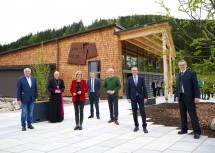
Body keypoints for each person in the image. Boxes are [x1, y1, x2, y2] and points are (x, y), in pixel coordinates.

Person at [176, 60, 201, 139]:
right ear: (179, 66)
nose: (182, 66)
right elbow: (177, 87)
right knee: (182, 114)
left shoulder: (191, 73)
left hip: (189, 97)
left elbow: (195, 85)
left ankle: (197, 131)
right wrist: (176, 96)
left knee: (192, 114)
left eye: (183, 65)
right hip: (181, 97)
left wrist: (197, 96)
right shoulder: (178, 74)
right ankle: (184, 129)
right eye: (180, 65)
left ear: (186, 65)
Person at [127, 67, 148, 133]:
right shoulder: (129, 78)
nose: (134, 71)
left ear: (137, 71)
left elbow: (144, 88)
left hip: (141, 97)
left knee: (142, 112)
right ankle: (136, 126)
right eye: (133, 70)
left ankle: (144, 127)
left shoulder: (141, 78)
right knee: (134, 112)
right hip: (133, 98)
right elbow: (128, 89)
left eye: (135, 70)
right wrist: (128, 98)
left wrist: (146, 97)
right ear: (131, 71)